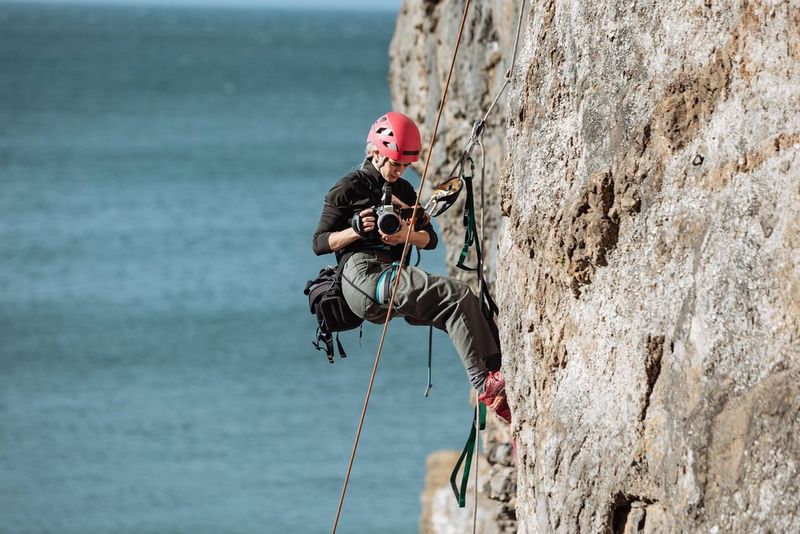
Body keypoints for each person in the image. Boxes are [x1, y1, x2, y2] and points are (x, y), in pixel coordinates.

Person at [311, 111, 511, 424]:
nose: (399, 170)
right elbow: (320, 243)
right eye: (394, 162)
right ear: (376, 153)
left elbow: (429, 240)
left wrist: (404, 234)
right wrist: (357, 231)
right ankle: (483, 383)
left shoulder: (404, 192)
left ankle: (499, 378)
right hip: (361, 275)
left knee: (466, 304)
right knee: (455, 296)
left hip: (388, 276)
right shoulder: (347, 188)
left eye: (405, 165)